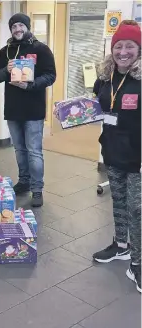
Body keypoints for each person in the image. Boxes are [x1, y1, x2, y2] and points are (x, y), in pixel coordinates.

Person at [91, 20, 141, 293]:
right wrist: (69, 113)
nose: (123, 51)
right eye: (119, 46)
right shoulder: (104, 78)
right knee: (119, 202)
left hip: (138, 157)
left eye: (130, 46)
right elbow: (95, 107)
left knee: (138, 209)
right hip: (112, 150)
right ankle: (121, 246)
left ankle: (138, 263)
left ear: (139, 49)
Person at [0, 13, 56, 207]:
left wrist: (31, 85)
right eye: (14, 27)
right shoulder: (6, 52)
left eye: (21, 25)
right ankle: (24, 181)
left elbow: (51, 76)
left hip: (34, 110)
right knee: (19, 150)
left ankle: (37, 189)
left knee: (34, 151)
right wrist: (5, 70)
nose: (17, 29)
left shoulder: (41, 49)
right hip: (13, 109)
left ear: (27, 27)